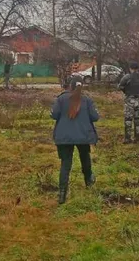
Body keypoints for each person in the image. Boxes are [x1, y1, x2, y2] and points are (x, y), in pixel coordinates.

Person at [51, 75, 99, 204]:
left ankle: (62, 194)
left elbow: (54, 115)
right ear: (81, 86)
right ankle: (88, 181)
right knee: (85, 157)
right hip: (83, 135)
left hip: (64, 136)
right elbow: (95, 117)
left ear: (69, 86)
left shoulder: (61, 99)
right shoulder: (87, 100)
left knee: (65, 164)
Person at [118, 61, 139, 143]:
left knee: (128, 119)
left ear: (130, 68)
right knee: (138, 120)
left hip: (129, 100)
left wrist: (125, 91)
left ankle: (127, 138)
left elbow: (120, 86)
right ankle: (137, 138)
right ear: (138, 68)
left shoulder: (127, 77)